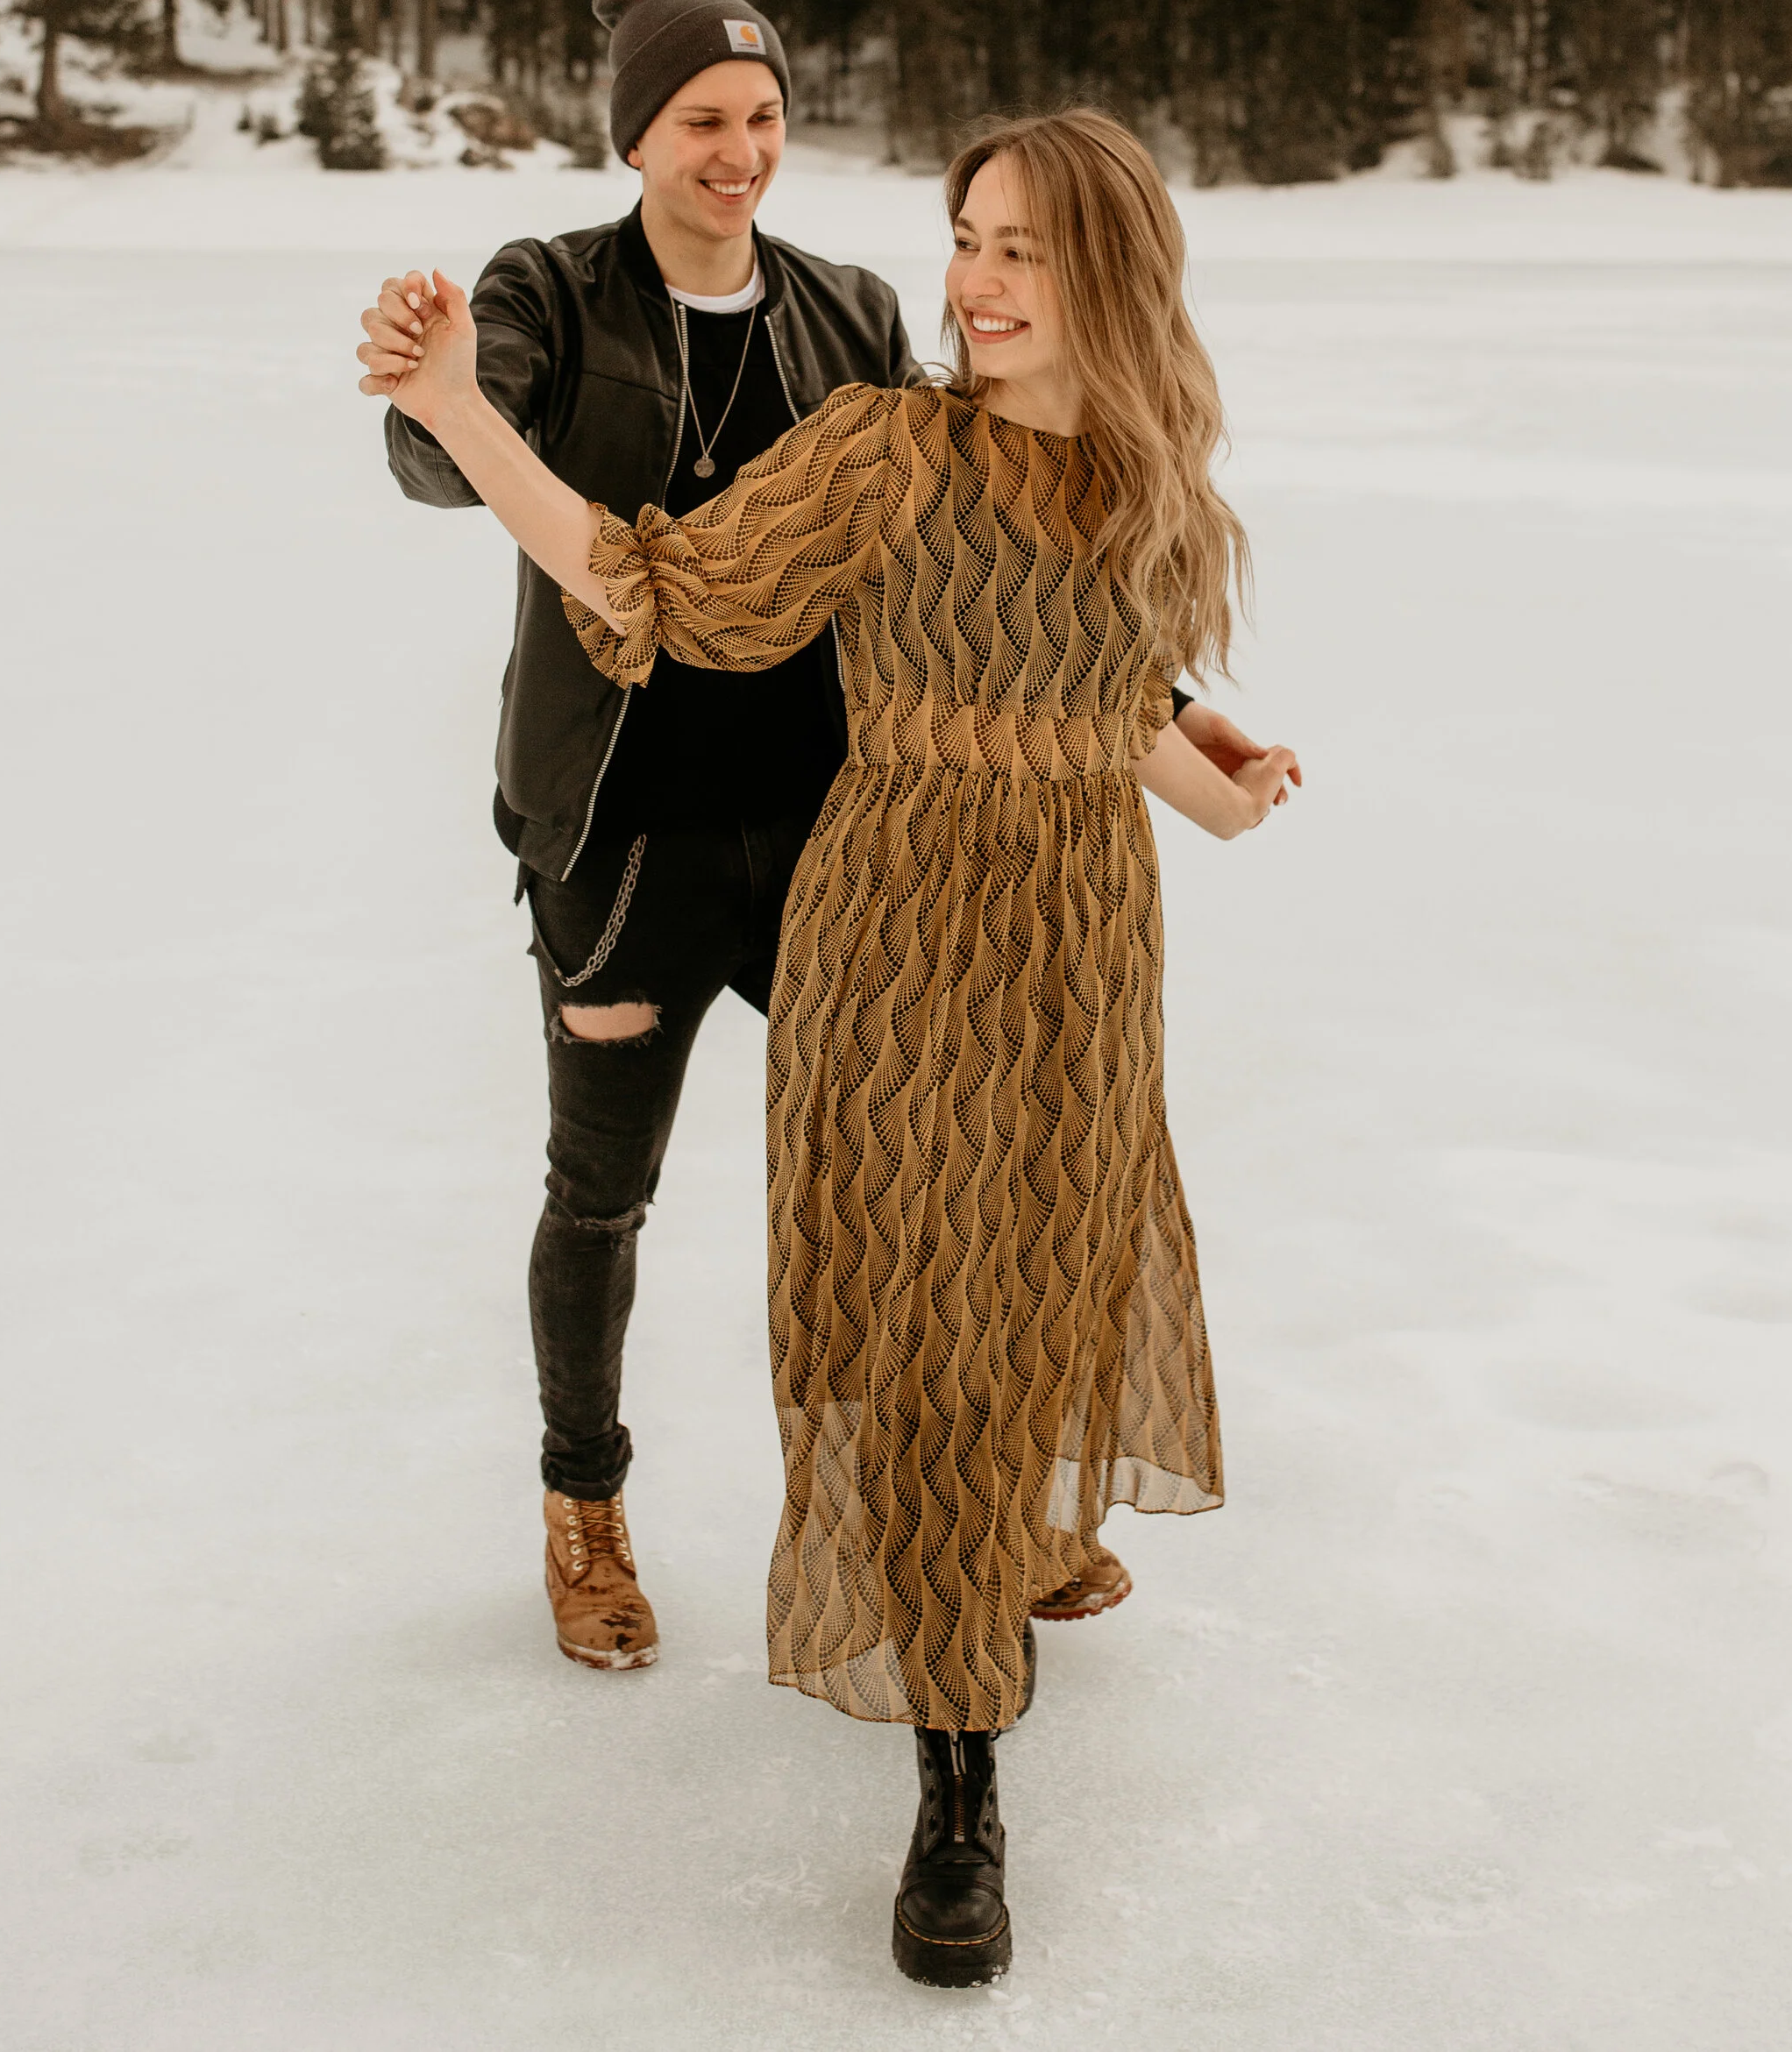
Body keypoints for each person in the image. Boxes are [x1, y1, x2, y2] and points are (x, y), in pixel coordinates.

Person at [365, 105, 1298, 1986]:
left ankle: (1009, 1553)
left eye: (1022, 247)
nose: (971, 282)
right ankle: (959, 1774)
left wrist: (1225, 776)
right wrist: (469, 413)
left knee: (1038, 1273)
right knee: (925, 1317)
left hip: (1083, 942)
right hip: (894, 935)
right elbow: (652, 583)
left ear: (1111, 273)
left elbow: (1114, 702)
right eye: (967, 237)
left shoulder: (1137, 481)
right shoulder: (882, 448)